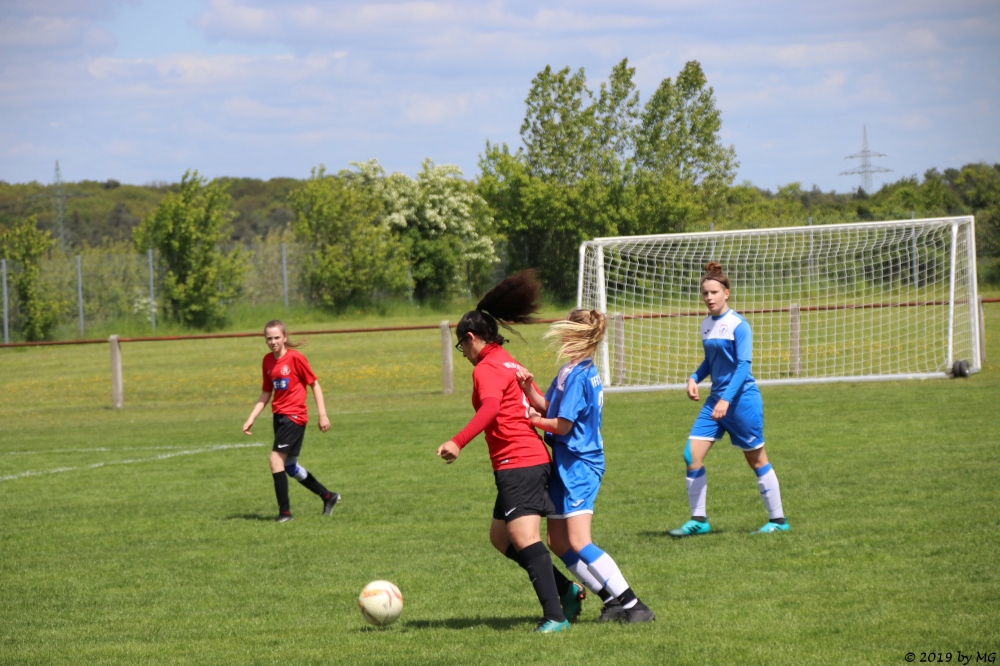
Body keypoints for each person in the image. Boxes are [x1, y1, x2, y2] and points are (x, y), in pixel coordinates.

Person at [435, 271, 572, 634]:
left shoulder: (487, 368)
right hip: (528, 459)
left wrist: (458, 441)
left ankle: (556, 616)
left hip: (519, 461)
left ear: (471, 338)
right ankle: (566, 589)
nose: (464, 355)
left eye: (462, 347)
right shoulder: (507, 359)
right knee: (501, 537)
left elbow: (491, 409)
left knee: (525, 538)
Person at [516, 309, 655, 624]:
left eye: (567, 329)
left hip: (581, 465)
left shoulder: (581, 375)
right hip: (564, 464)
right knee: (557, 541)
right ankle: (611, 601)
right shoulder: (569, 370)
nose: (562, 335)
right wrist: (529, 390)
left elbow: (562, 426)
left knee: (579, 541)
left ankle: (635, 606)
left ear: (577, 335)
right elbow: (550, 408)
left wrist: (532, 420)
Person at [669, 262, 788, 537]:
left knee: (756, 459)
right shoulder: (706, 325)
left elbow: (743, 365)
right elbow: (711, 361)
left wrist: (726, 400)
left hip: (741, 401)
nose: (709, 297)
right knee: (691, 455)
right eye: (705, 293)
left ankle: (778, 520)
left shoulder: (739, 325)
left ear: (726, 293)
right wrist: (694, 377)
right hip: (715, 401)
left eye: (714, 292)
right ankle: (699, 520)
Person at [243, 320, 340, 523]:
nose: (273, 342)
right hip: (279, 417)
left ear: (285, 337)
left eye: (277, 337)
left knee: (275, 460)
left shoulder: (295, 358)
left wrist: (322, 414)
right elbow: (266, 392)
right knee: (290, 466)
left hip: (294, 417)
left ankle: (285, 513)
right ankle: (328, 496)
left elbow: (315, 384)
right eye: (269, 338)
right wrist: (251, 418)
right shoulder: (267, 361)